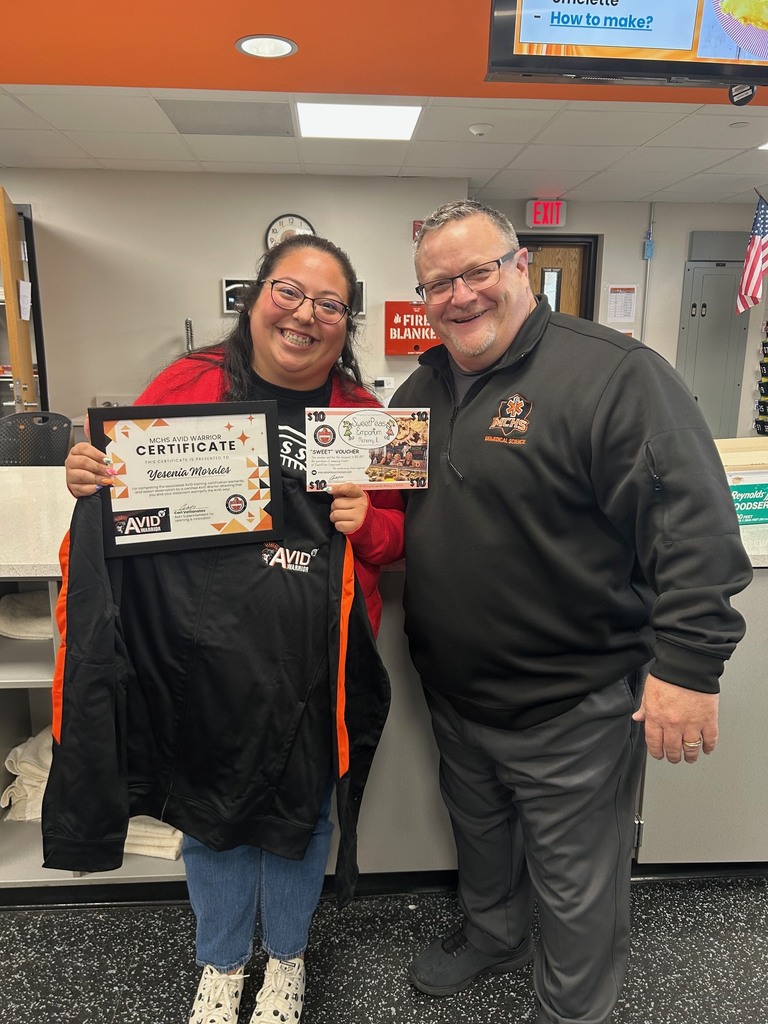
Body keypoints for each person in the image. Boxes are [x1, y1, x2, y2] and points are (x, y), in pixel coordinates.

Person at [391, 199, 753, 1024]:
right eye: (438, 283)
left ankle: (572, 1012)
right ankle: (494, 936)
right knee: (483, 841)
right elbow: (384, 501)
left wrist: (689, 666)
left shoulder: (617, 375)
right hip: (455, 694)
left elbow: (695, 527)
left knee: (578, 885)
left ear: (522, 266)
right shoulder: (422, 386)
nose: (460, 295)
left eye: (478, 271)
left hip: (574, 706)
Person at [44, 234, 405, 1024]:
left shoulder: (362, 417)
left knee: (303, 811)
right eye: (289, 291)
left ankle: (287, 958)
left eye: (330, 304)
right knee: (211, 807)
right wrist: (88, 476)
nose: (305, 314)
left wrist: (367, 523)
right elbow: (125, 489)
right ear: (256, 297)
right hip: (203, 649)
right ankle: (221, 960)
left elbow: (396, 540)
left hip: (319, 656)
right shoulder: (192, 381)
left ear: (347, 322)